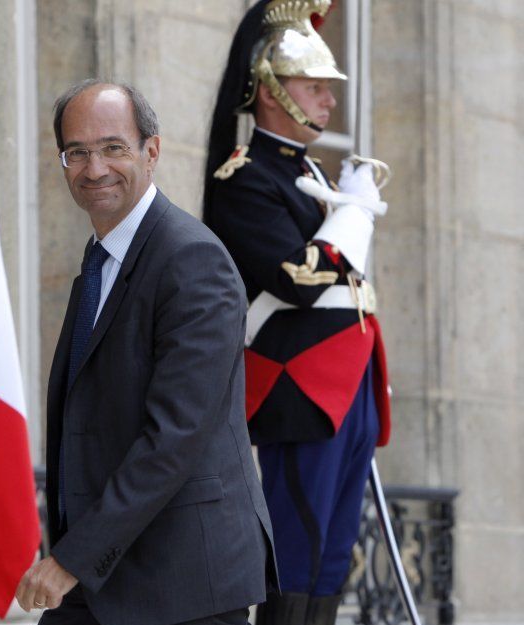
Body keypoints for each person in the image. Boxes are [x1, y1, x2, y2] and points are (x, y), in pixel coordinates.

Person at [16, 80, 274, 625]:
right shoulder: (101, 255)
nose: (94, 169)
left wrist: (72, 557)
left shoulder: (193, 260)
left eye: (113, 147)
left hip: (183, 582)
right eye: (77, 152)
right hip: (106, 573)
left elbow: (174, 438)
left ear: (151, 152)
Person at [203, 1, 392, 623]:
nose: (329, 102)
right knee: (298, 545)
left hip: (349, 380)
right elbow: (297, 281)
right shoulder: (246, 176)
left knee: (334, 552)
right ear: (271, 92)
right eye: (314, 88)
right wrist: (353, 215)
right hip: (300, 385)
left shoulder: (307, 172)